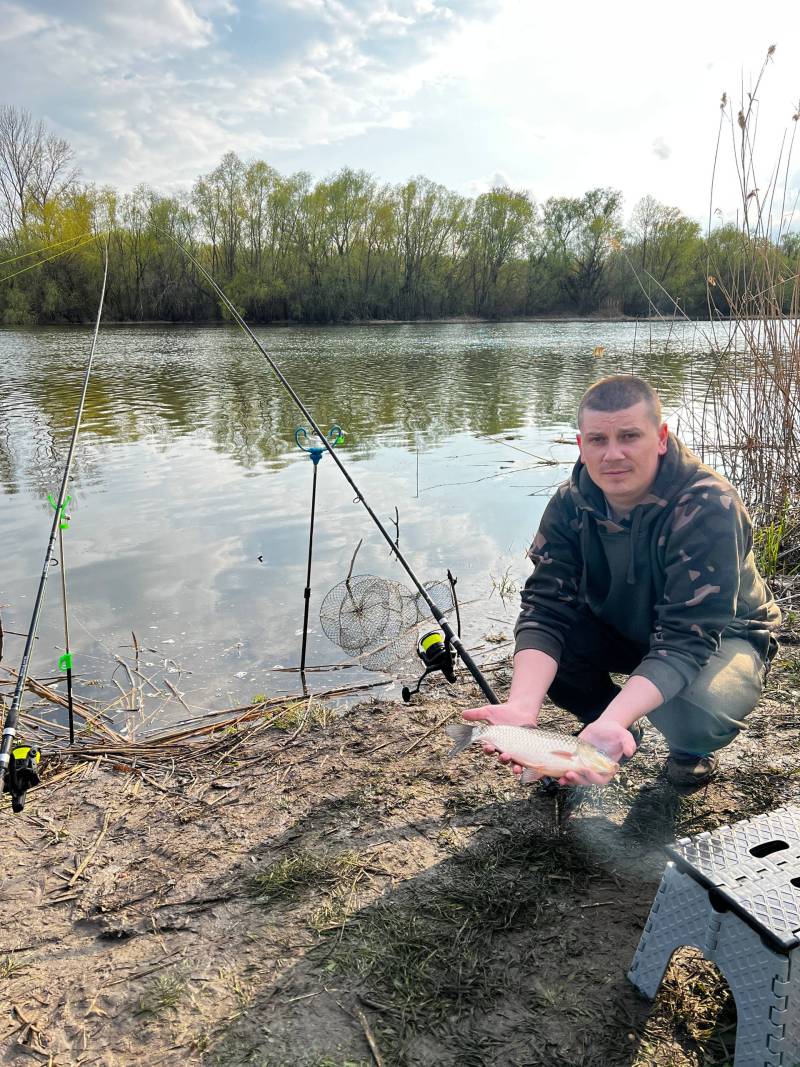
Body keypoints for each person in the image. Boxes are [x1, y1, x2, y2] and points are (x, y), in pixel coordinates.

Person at [464, 374, 780, 789]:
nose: (613, 454)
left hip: (720, 639)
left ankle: (687, 751)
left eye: (629, 436)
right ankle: (609, 733)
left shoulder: (708, 505)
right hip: (625, 628)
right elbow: (545, 609)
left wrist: (619, 713)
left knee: (695, 712)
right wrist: (523, 707)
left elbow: (686, 639)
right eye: (598, 440)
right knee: (548, 654)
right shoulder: (569, 503)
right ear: (581, 445)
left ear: (661, 438)